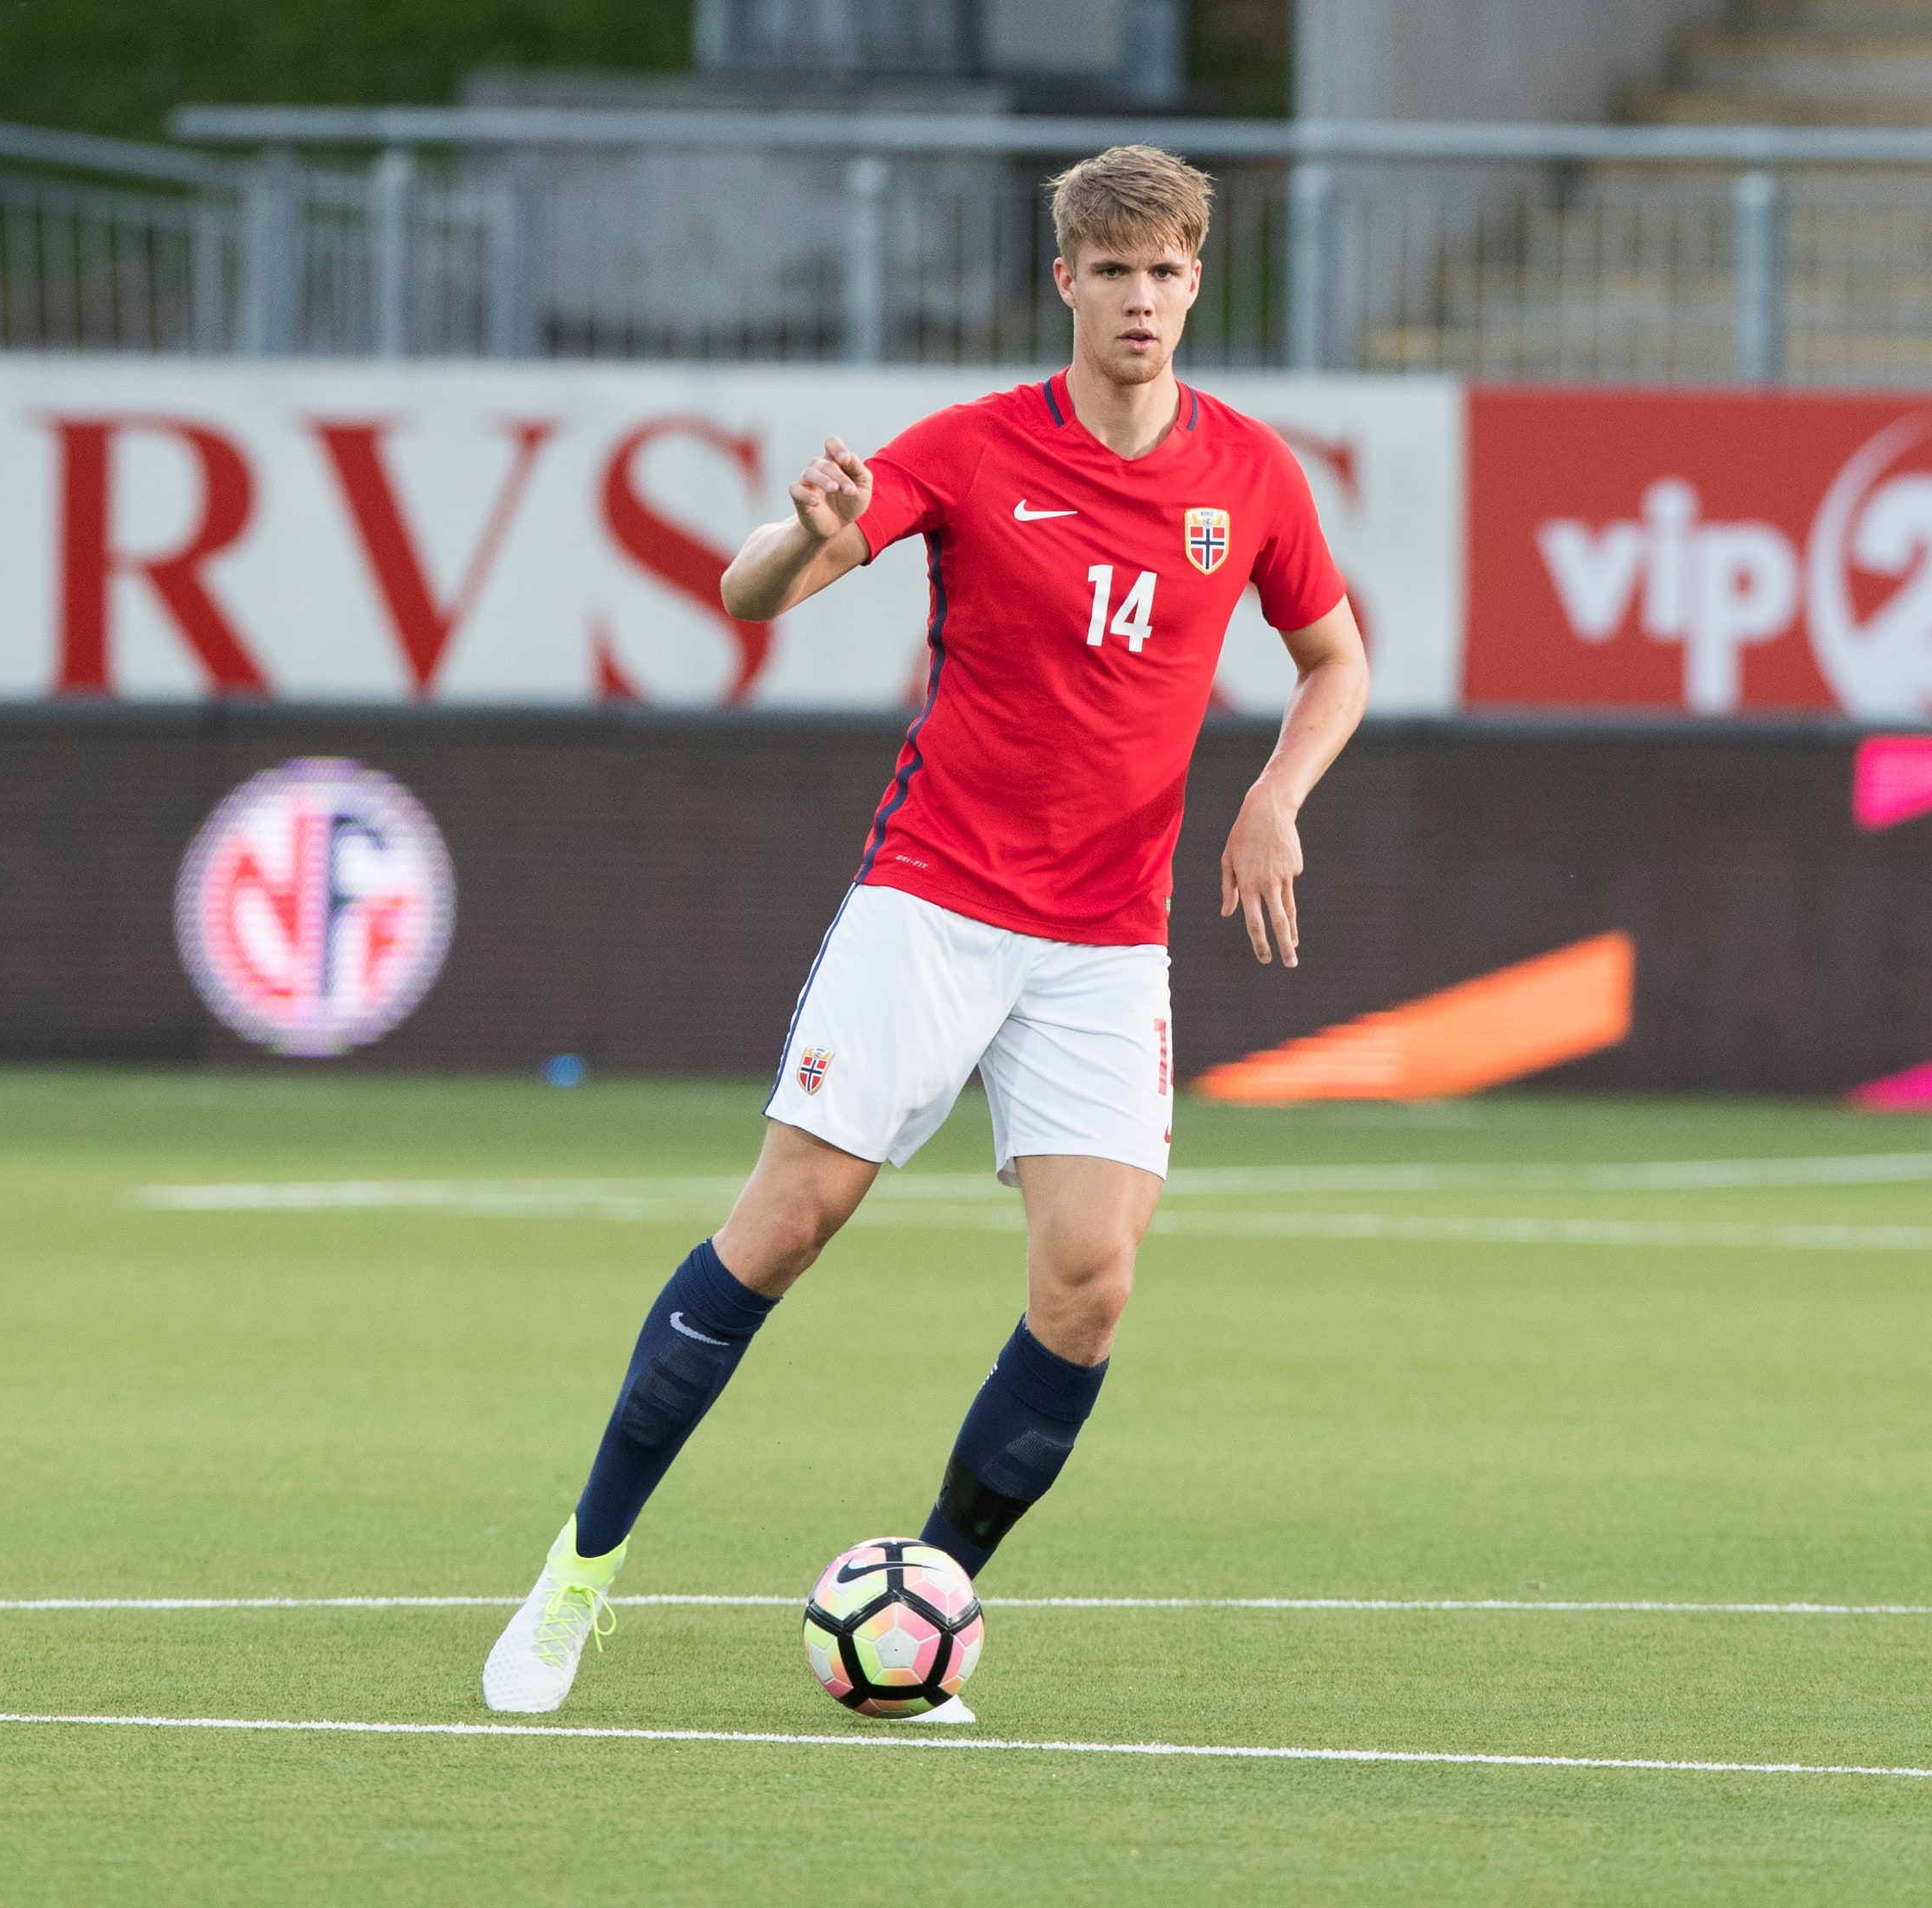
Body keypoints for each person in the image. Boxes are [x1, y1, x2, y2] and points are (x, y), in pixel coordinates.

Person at [481, 143, 1370, 1719]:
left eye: (1167, 272)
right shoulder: (970, 449)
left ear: (1196, 283)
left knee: (1091, 1285)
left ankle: (928, 1606)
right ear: (1067, 282)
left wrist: (1275, 795)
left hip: (1107, 942)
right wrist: (803, 533)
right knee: (785, 1225)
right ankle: (576, 1579)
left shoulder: (1250, 477)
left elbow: (1336, 661)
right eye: (1115, 272)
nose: (1143, 299)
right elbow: (754, 594)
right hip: (935, 903)